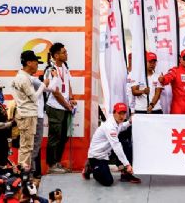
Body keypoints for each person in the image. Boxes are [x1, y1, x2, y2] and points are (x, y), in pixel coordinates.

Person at [82, 103, 138, 186]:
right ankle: (91, 167)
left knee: (125, 144)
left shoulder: (117, 122)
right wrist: (127, 165)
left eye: (124, 113)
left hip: (106, 152)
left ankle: (117, 170)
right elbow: (116, 147)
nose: (122, 116)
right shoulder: (110, 126)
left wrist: (129, 122)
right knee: (108, 181)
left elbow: (122, 127)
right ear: (114, 112)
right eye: (119, 113)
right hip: (97, 156)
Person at [44, 43, 76, 174]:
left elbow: (68, 83)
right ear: (56, 55)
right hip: (55, 107)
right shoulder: (50, 69)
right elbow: (55, 92)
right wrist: (66, 105)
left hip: (64, 106)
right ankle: (51, 164)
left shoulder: (65, 66)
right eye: (64, 52)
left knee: (63, 137)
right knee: (54, 137)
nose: (66, 54)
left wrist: (71, 98)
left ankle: (57, 162)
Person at [11, 50, 45, 171]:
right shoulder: (23, 78)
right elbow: (34, 98)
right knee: (26, 146)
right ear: (29, 63)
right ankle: (23, 174)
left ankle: (25, 173)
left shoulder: (21, 77)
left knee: (27, 146)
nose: (37, 65)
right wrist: (43, 85)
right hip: (27, 114)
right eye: (36, 62)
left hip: (26, 114)